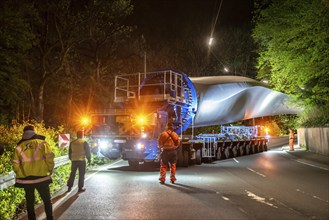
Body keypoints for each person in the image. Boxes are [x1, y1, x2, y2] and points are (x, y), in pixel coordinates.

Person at [12, 125, 55, 220]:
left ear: (24, 133)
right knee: (47, 201)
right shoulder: (42, 143)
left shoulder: (19, 146)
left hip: (27, 180)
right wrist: (50, 169)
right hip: (42, 177)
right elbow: (49, 158)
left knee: (30, 203)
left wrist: (21, 174)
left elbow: (15, 164)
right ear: (34, 131)